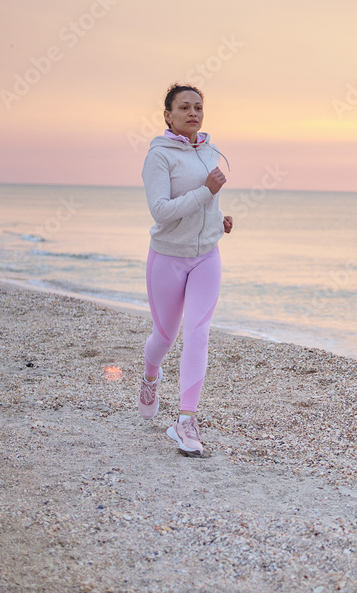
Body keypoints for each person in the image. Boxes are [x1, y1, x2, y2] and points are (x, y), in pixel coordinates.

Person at [138, 83, 233, 456]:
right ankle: (149, 377)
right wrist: (206, 193)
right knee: (164, 336)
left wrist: (218, 219)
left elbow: (206, 201)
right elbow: (161, 210)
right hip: (167, 258)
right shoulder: (158, 156)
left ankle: (185, 421)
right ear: (168, 115)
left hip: (207, 255)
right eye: (184, 107)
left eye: (198, 107)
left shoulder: (209, 150)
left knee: (197, 332)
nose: (193, 113)